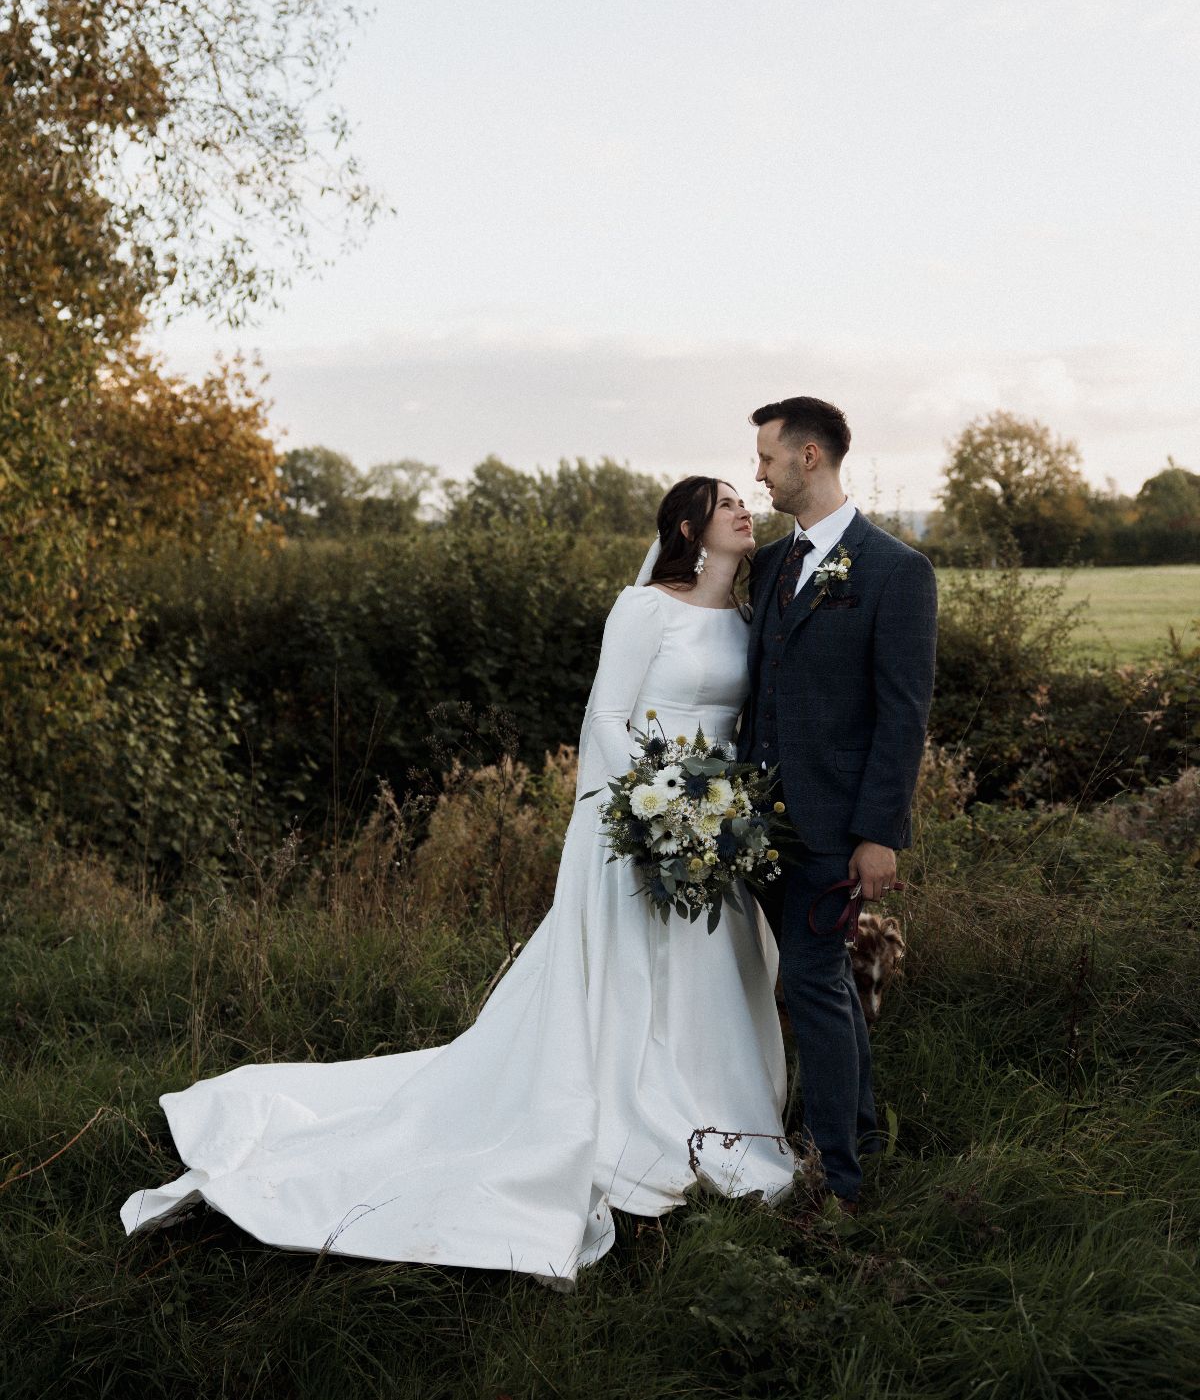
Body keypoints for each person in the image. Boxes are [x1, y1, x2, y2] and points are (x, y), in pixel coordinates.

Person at [120, 477, 795, 1286]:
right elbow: (607, 717)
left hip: (714, 820)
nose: (742, 509)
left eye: (740, 499)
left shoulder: (748, 620)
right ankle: (624, 1108)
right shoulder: (643, 608)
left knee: (707, 971)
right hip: (641, 814)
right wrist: (652, 809)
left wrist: (714, 813)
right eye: (725, 503)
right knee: (627, 972)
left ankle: (706, 1106)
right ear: (690, 527)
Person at [741, 396, 938, 1212]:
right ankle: (859, 1130)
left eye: (766, 457)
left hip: (837, 826)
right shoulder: (769, 564)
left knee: (815, 980)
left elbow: (904, 714)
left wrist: (878, 836)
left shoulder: (896, 570)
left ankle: (836, 1180)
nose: (757, 471)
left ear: (810, 456)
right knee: (819, 981)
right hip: (762, 824)